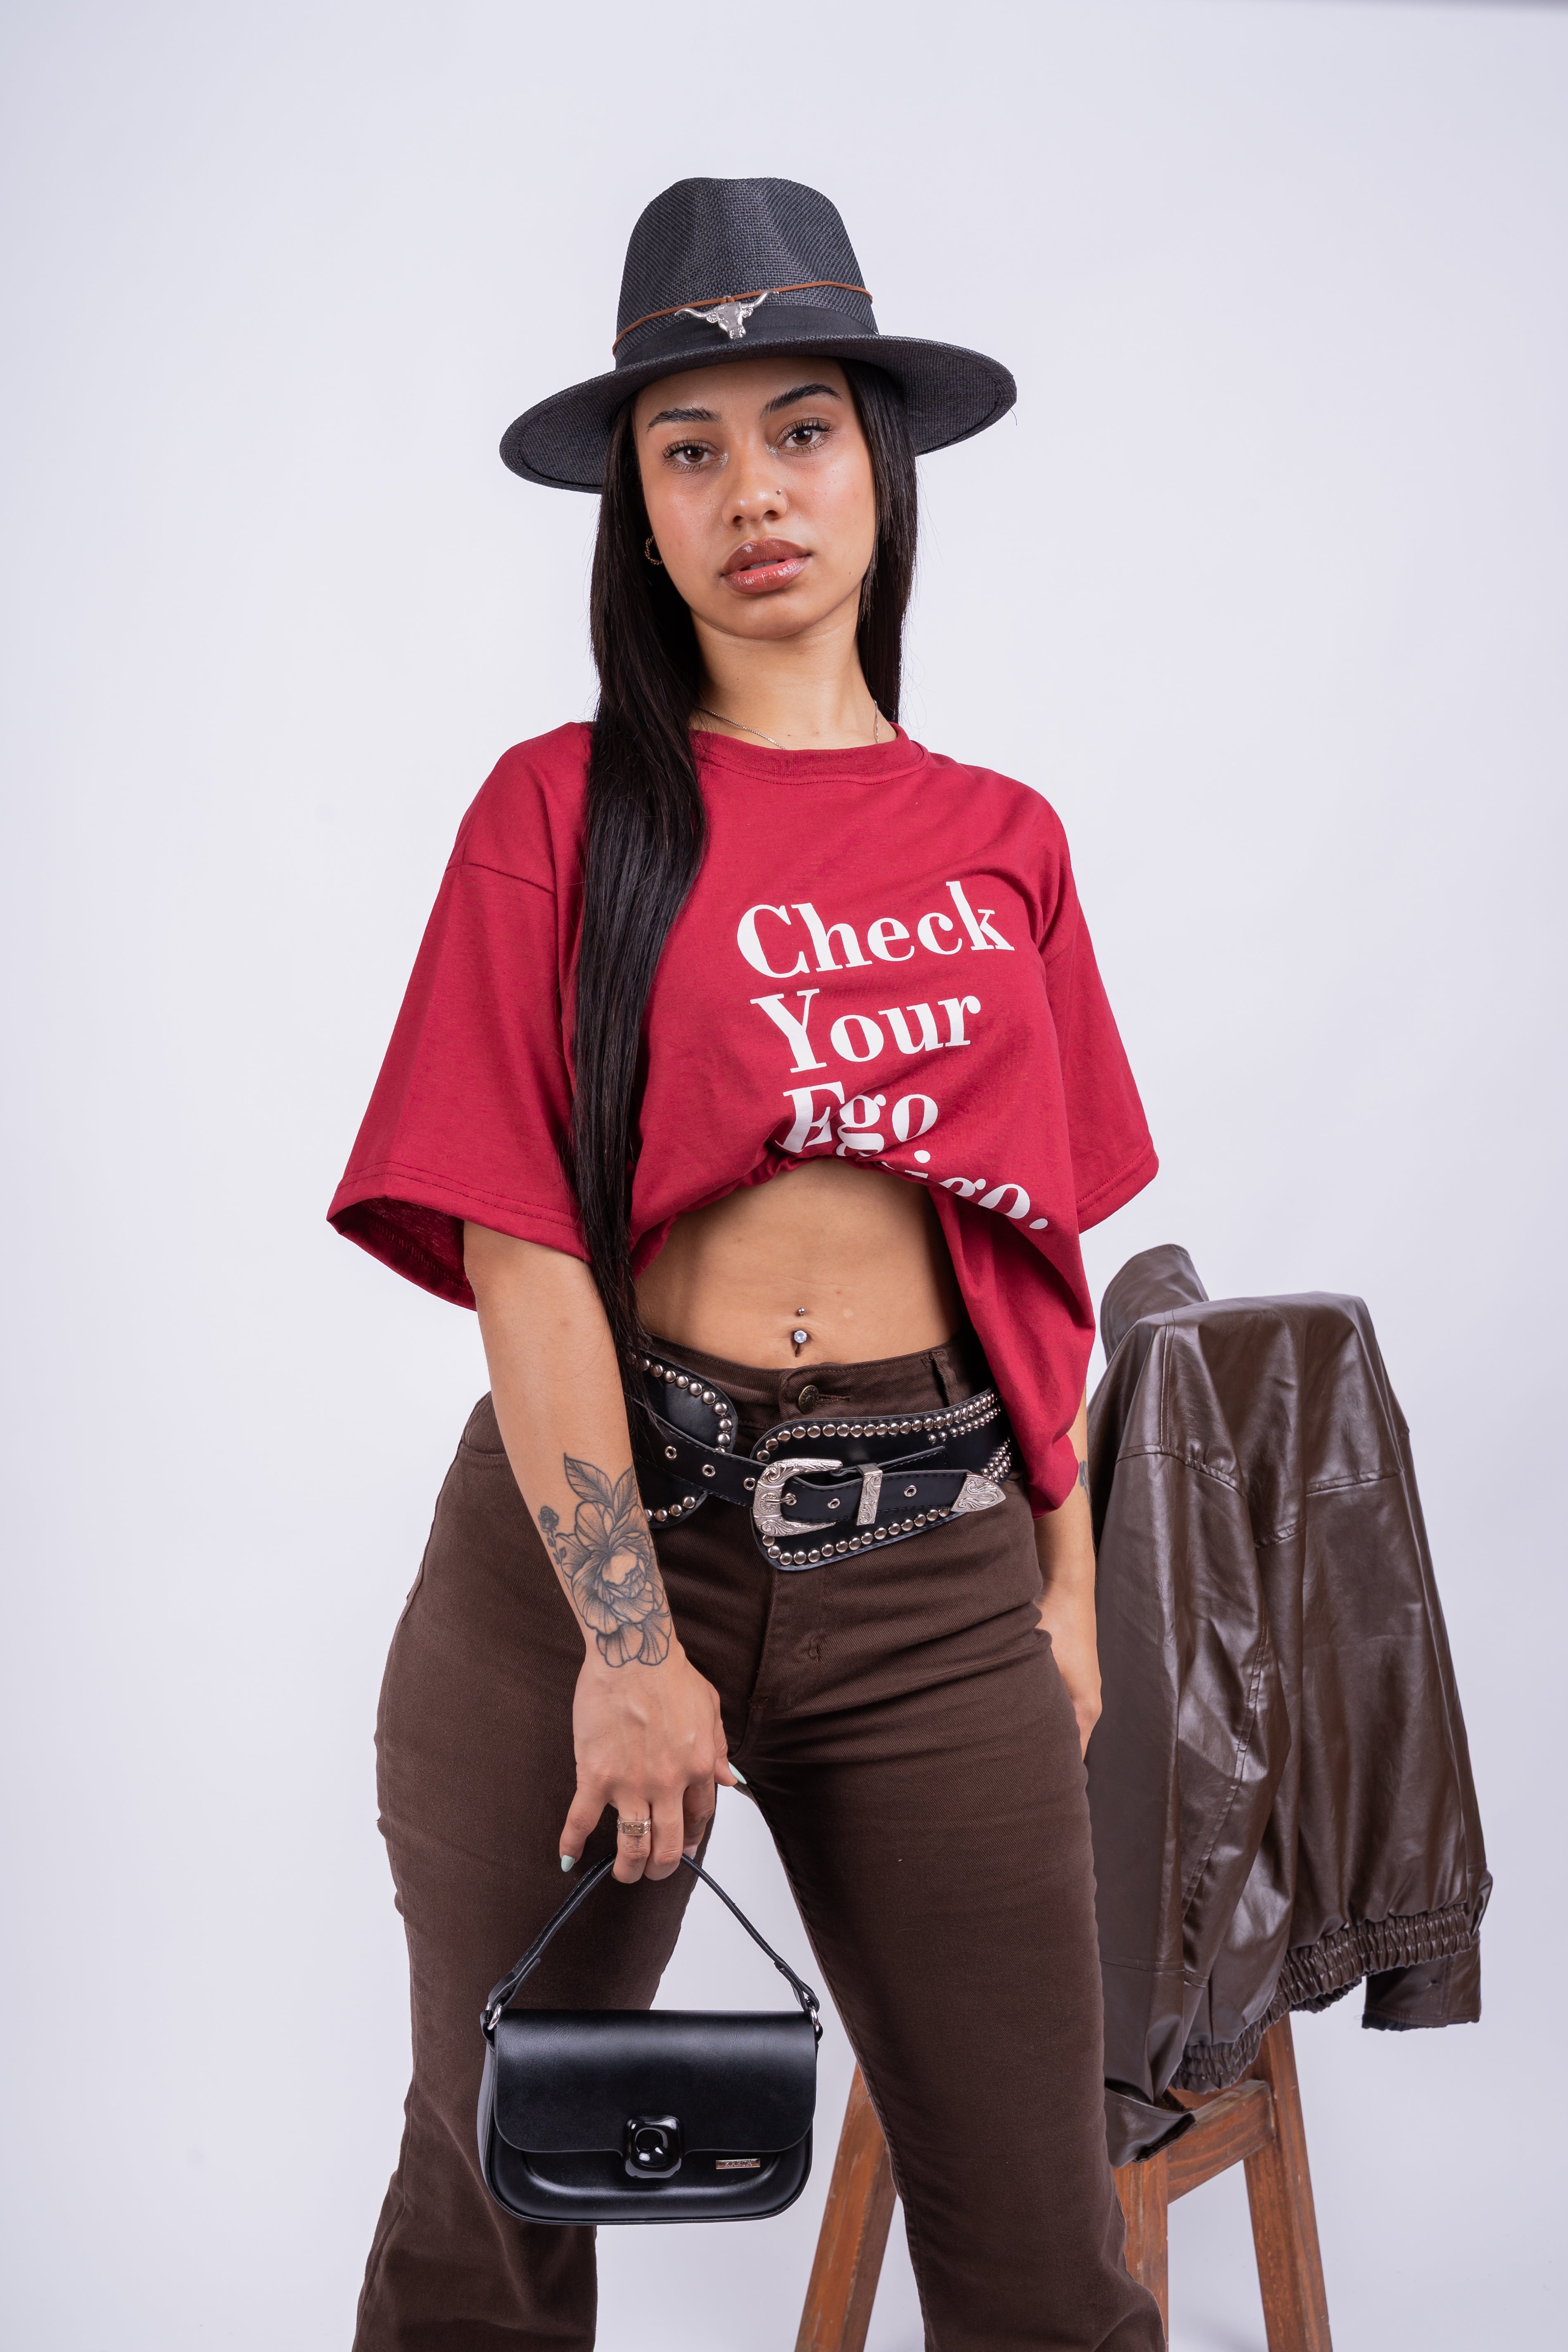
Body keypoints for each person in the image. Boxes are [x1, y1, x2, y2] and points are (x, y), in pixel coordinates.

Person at [330, 176, 1164, 2352]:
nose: (752, 494)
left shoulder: (1002, 838)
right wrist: (626, 1642)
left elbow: (1038, 1247)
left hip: (934, 1578)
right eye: (686, 451)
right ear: (638, 509)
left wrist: (1066, 1585)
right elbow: (521, 1244)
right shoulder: (558, 813)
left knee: (1043, 2259)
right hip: (597, 1546)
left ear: (878, 469)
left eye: (800, 433)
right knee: (493, 2214)